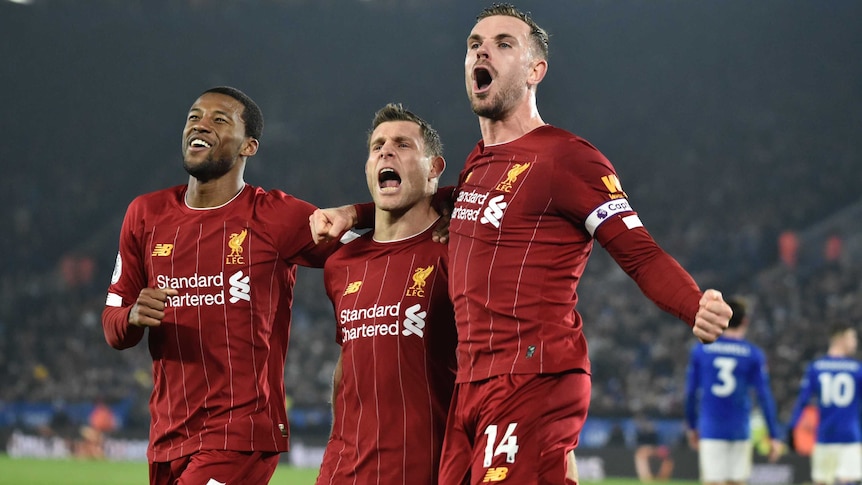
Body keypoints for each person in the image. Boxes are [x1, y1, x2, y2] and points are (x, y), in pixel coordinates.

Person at [310, 4, 732, 484]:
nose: (481, 51)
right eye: (474, 45)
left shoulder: (566, 158)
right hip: (471, 387)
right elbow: (430, 200)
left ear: (536, 71)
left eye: (503, 43)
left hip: (532, 375)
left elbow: (638, 249)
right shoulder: (477, 166)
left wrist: (692, 303)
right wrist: (355, 214)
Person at [101, 86, 337, 485]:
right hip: (167, 436)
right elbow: (113, 326)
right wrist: (133, 316)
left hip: (241, 433)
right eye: (194, 116)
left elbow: (365, 254)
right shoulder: (145, 214)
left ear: (249, 146)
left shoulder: (275, 215)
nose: (201, 125)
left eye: (219, 120)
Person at [314, 103, 457, 484]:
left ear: (434, 168)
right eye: (377, 146)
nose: (386, 152)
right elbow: (346, 369)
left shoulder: (456, 252)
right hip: (342, 473)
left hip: (425, 469)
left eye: (402, 145)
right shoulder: (340, 265)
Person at [684, 297, 782, 485]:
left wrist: (692, 427)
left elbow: (690, 393)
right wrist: (773, 434)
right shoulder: (754, 354)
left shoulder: (702, 350)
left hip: (711, 427)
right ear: (745, 321)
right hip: (740, 428)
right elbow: (764, 396)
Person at [788, 323, 862, 485]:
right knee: (848, 481)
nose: (855, 342)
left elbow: (802, 401)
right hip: (850, 436)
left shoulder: (816, 367)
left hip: (825, 436)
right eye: (852, 337)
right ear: (840, 339)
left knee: (822, 481)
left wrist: (791, 429)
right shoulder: (857, 369)